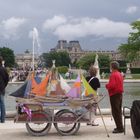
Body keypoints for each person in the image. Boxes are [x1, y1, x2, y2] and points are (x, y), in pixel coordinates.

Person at [106, 61, 124, 133]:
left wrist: (107, 86)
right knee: (118, 111)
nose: (110, 68)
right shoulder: (119, 74)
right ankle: (120, 127)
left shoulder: (113, 75)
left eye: (110, 66)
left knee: (115, 112)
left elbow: (112, 86)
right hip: (119, 94)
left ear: (112, 67)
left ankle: (120, 128)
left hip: (114, 95)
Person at [0, 57, 9, 123]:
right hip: (1, 88)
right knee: (2, 104)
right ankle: (2, 119)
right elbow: (7, 79)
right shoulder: (3, 69)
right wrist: (4, 86)